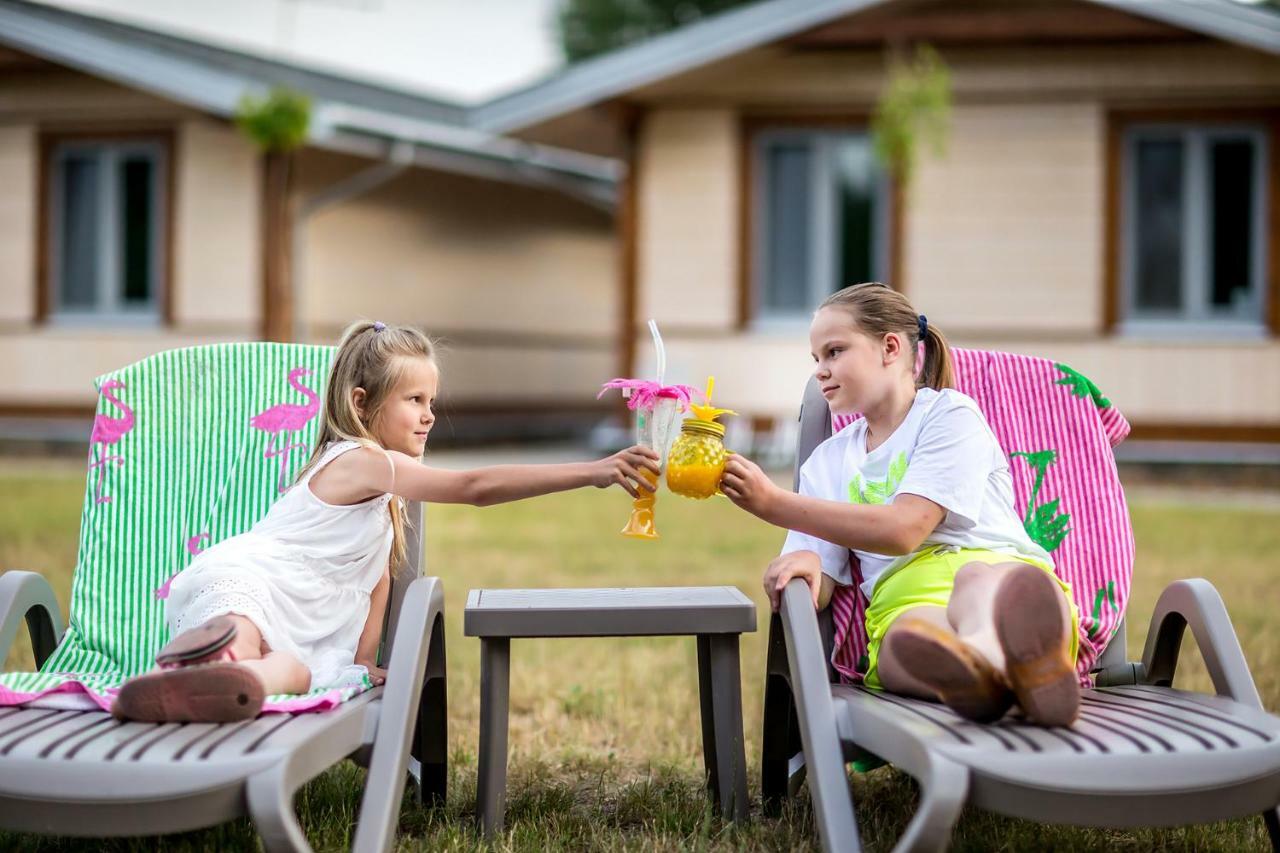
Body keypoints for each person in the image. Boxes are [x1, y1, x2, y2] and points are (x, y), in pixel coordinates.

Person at [112, 320, 659, 722]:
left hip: (301, 619)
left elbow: (376, 582)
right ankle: (198, 669)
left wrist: (362, 659)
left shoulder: (385, 495)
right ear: (361, 402)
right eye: (414, 399)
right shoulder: (360, 461)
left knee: (295, 673)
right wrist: (593, 471)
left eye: (432, 400)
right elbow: (473, 488)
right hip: (250, 581)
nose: (428, 414)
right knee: (243, 634)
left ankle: (221, 685)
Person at [719, 283, 1081, 727]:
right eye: (816, 359)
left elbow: (906, 529)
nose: (820, 370)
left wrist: (772, 503)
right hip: (907, 600)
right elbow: (824, 578)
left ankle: (996, 658)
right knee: (909, 638)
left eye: (834, 352)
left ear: (890, 347)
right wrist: (806, 564)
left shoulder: (950, 416)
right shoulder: (828, 462)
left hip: (1006, 580)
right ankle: (1004, 673)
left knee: (976, 583)